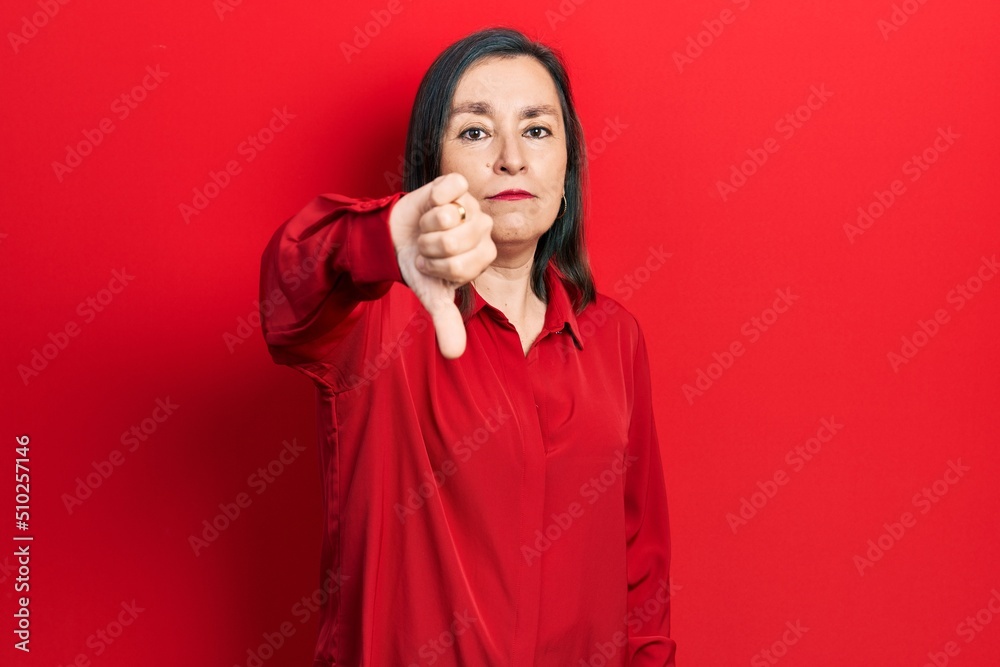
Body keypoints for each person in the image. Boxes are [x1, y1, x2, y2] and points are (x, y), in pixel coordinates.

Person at [259, 26, 676, 667]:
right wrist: (384, 235)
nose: (511, 158)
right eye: (475, 131)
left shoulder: (615, 337)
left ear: (568, 168)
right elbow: (289, 288)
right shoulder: (374, 317)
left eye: (537, 130)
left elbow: (642, 571)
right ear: (435, 169)